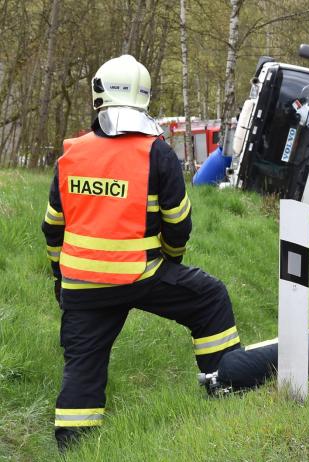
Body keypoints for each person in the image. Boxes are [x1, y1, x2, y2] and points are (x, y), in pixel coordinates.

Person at [41, 55, 242, 451]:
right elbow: (179, 225)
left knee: (83, 364)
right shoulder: (157, 153)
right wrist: (171, 259)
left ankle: (72, 445)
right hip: (143, 275)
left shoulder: (71, 155)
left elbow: (52, 229)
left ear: (98, 95)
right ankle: (224, 387)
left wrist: (60, 280)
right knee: (209, 297)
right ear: (143, 98)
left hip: (82, 287)